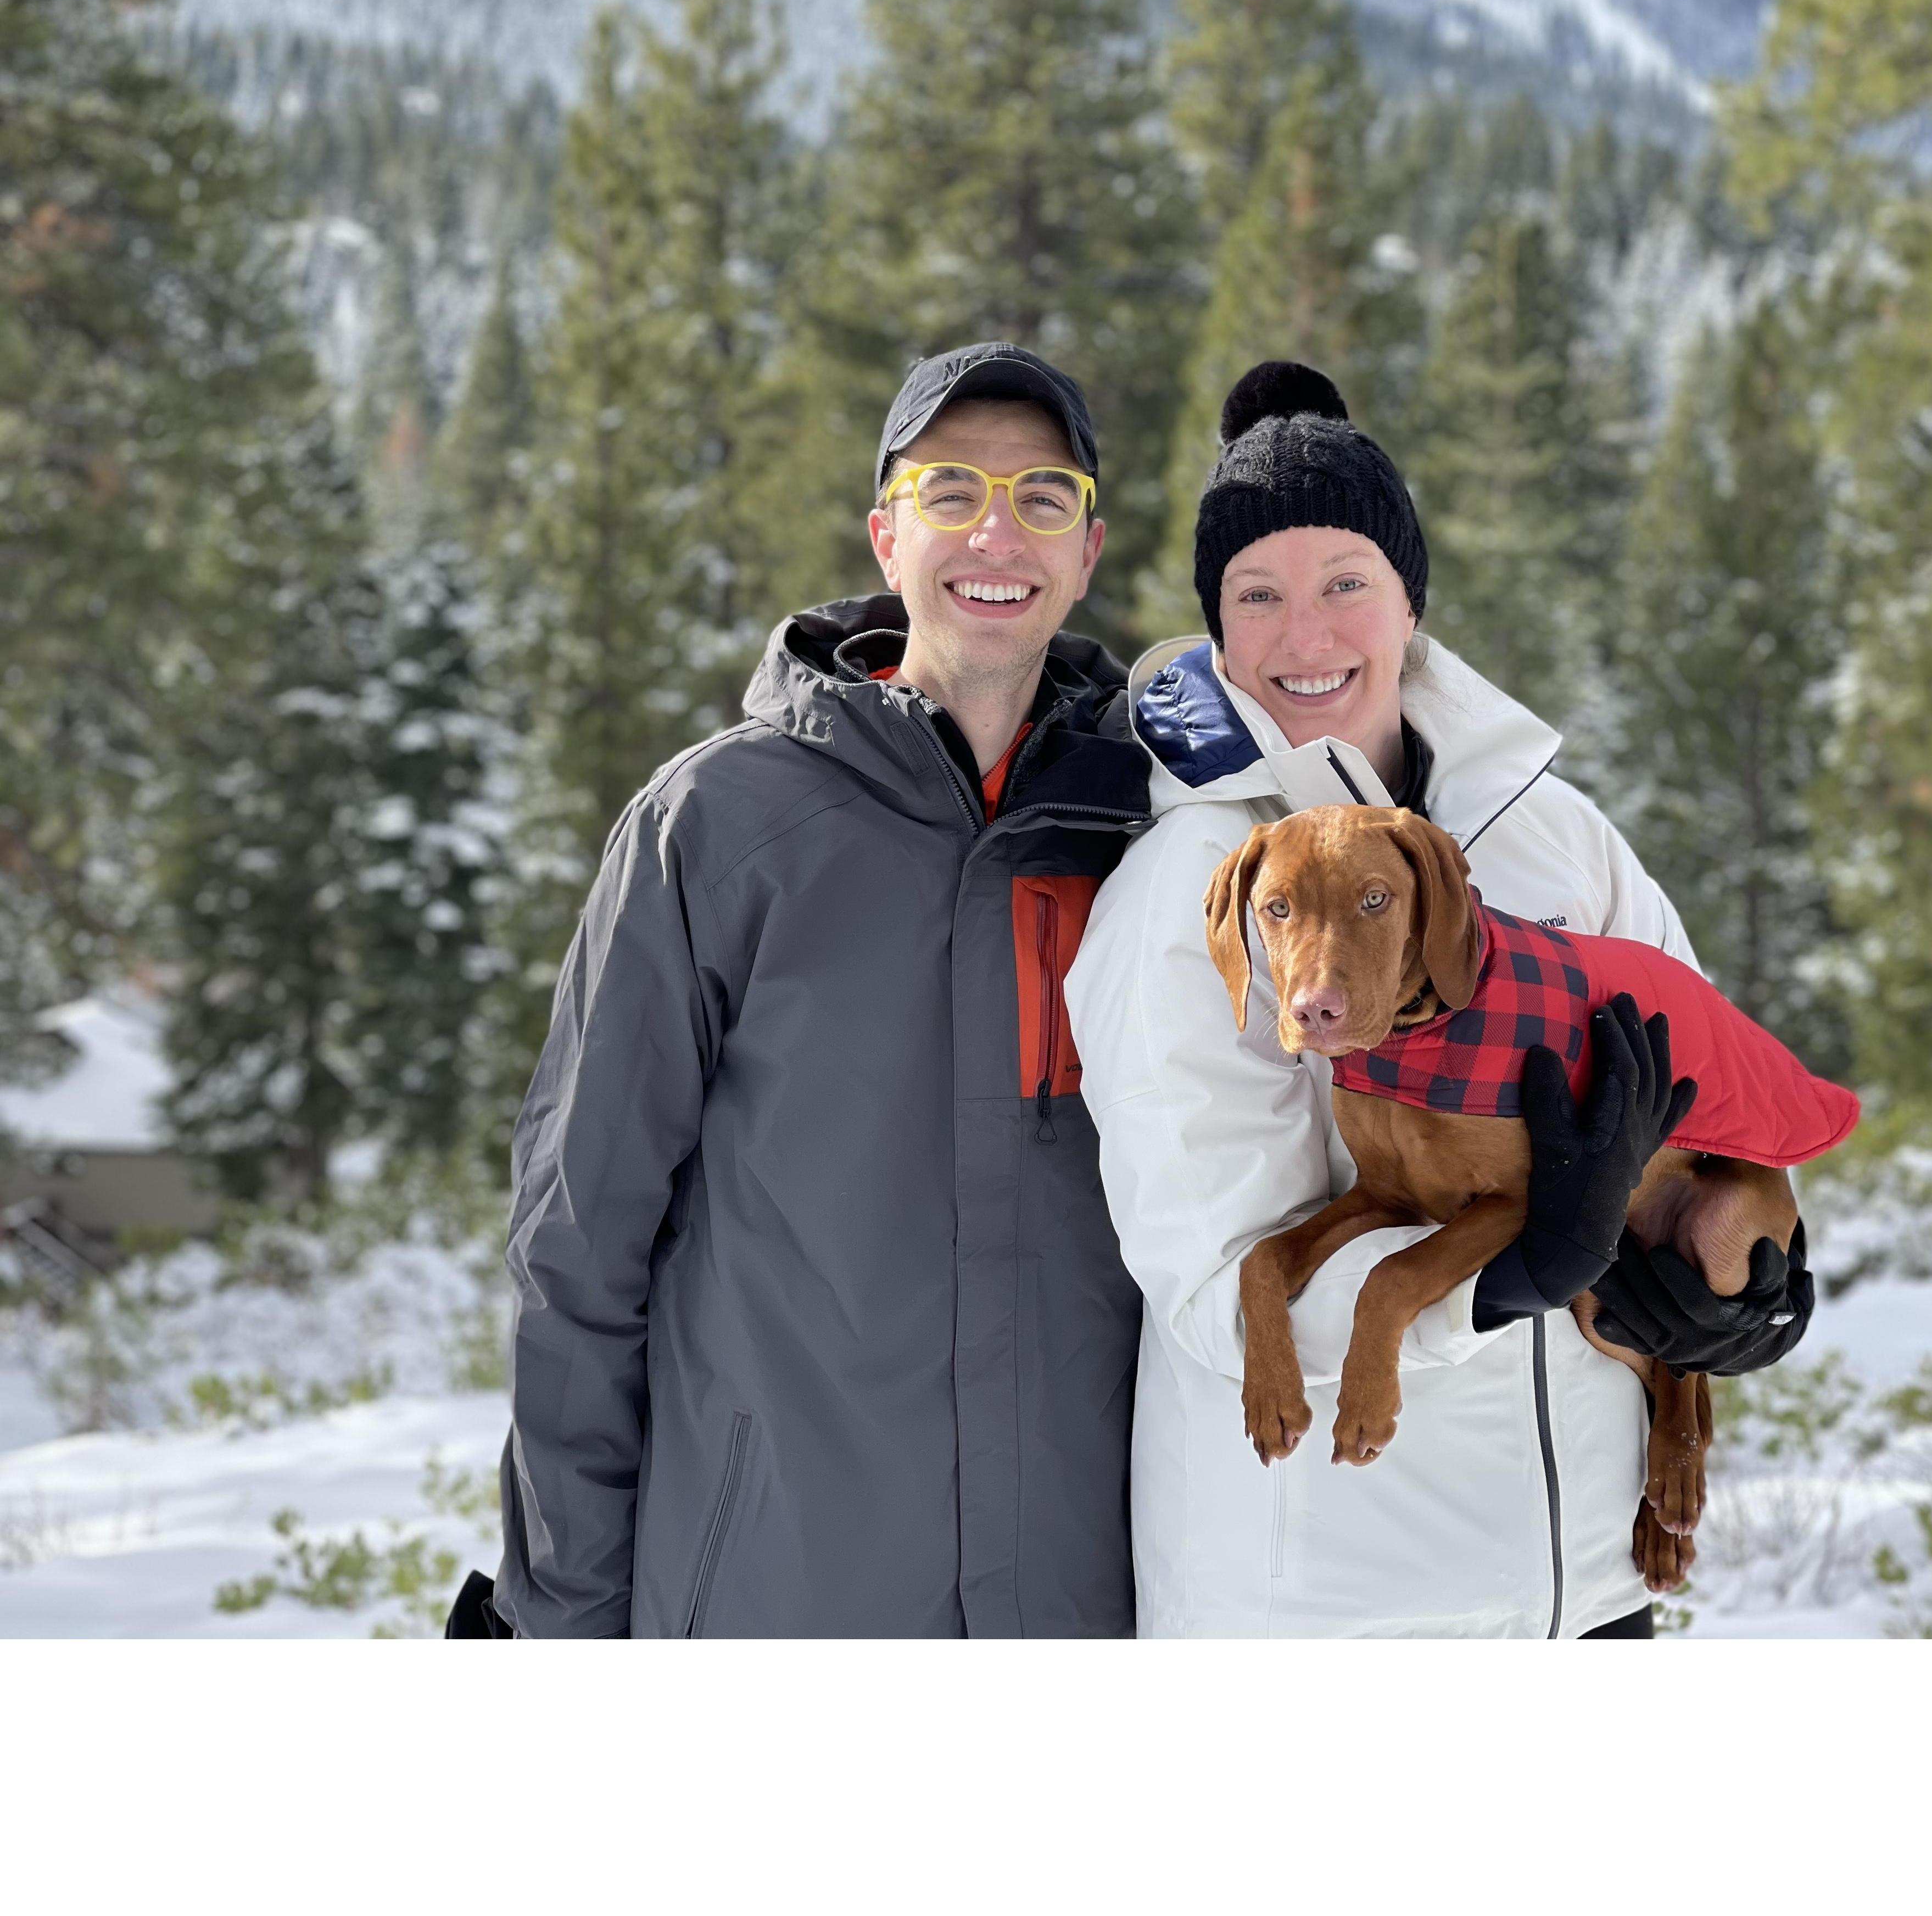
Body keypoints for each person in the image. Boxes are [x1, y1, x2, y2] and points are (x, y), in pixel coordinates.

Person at [1064, 360, 1814, 1639]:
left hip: (1589, 1585)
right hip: (1337, 1609)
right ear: (1218, 627)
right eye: (1259, 596)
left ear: (1409, 602)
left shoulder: (1555, 834)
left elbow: (1705, 1077)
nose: (1306, 637)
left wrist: (1752, 1289)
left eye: (1346, 584)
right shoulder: (1190, 887)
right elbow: (1211, 1278)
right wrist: (1509, 1277)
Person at [485, 342, 1154, 1637]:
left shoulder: (1152, 835)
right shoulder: (720, 826)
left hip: (1090, 1605)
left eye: (1042, 498)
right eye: (951, 492)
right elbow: (580, 1249)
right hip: (776, 1596)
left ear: (1089, 548)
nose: (995, 532)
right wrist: (561, 1619)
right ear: (886, 537)